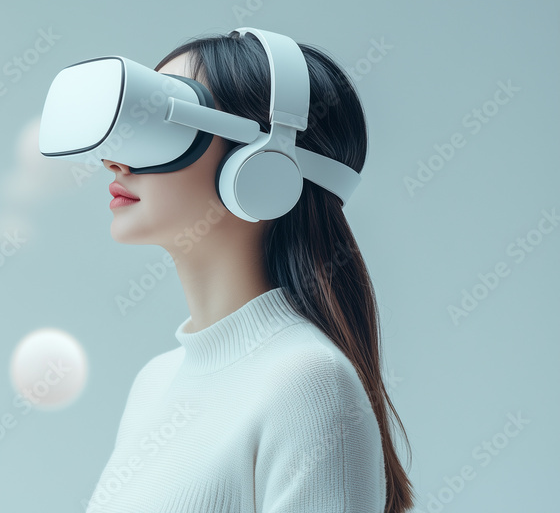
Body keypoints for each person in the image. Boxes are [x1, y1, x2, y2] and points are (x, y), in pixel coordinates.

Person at [85, 30, 415, 513]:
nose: (115, 160)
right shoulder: (155, 383)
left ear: (265, 166)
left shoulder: (309, 383)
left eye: (164, 126)